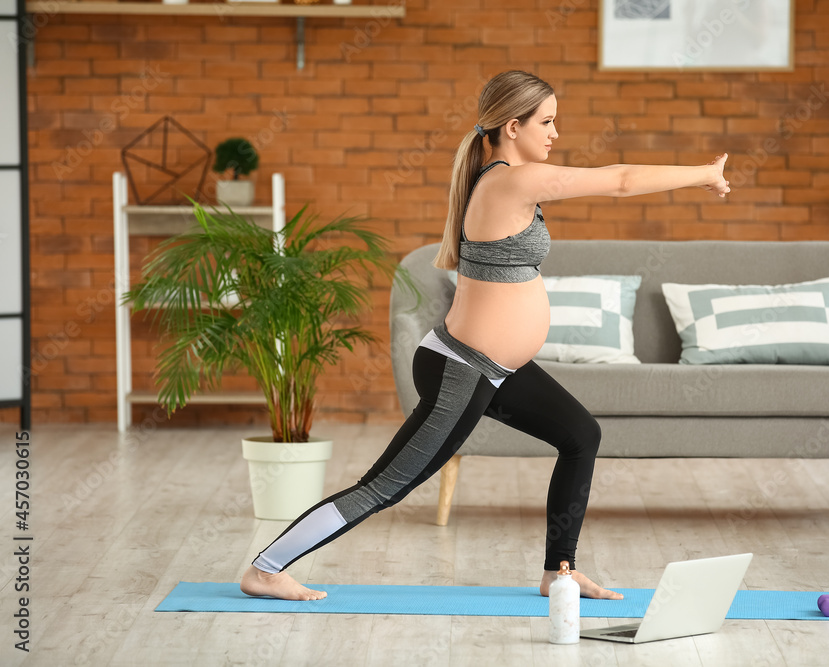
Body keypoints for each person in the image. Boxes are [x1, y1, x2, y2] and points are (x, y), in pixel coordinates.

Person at [240, 70, 730, 602]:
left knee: (580, 435)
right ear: (512, 126)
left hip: (496, 369)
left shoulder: (508, 183)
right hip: (462, 368)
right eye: (546, 121)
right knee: (387, 485)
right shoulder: (510, 181)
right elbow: (621, 179)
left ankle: (558, 572)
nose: (554, 133)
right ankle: (265, 568)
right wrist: (702, 172)